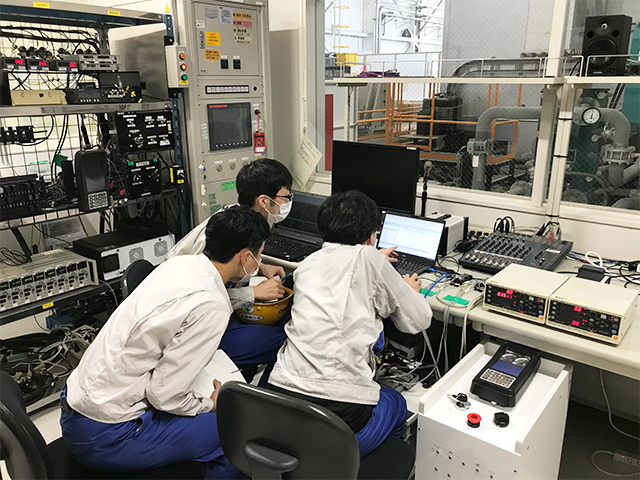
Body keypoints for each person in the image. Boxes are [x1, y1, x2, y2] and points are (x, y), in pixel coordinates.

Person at [60, 206, 271, 478]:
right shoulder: (212, 305)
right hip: (106, 434)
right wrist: (210, 405)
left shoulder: (180, 264)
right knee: (235, 430)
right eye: (259, 254)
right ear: (245, 257)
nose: (259, 261)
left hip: (78, 405)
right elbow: (164, 395)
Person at [268, 190, 432, 456]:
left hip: (280, 397)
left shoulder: (307, 263)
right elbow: (418, 321)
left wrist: (375, 260)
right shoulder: (370, 258)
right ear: (371, 237)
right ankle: (364, 464)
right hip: (340, 411)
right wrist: (409, 290)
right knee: (396, 403)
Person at [168, 158, 292, 377]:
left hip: (220, 311)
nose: (289, 201)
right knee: (289, 342)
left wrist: (260, 266)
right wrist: (252, 293)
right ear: (264, 201)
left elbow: (227, 265)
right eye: (286, 196)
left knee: (289, 318)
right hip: (194, 326)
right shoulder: (222, 232)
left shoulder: (251, 221)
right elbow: (196, 298)